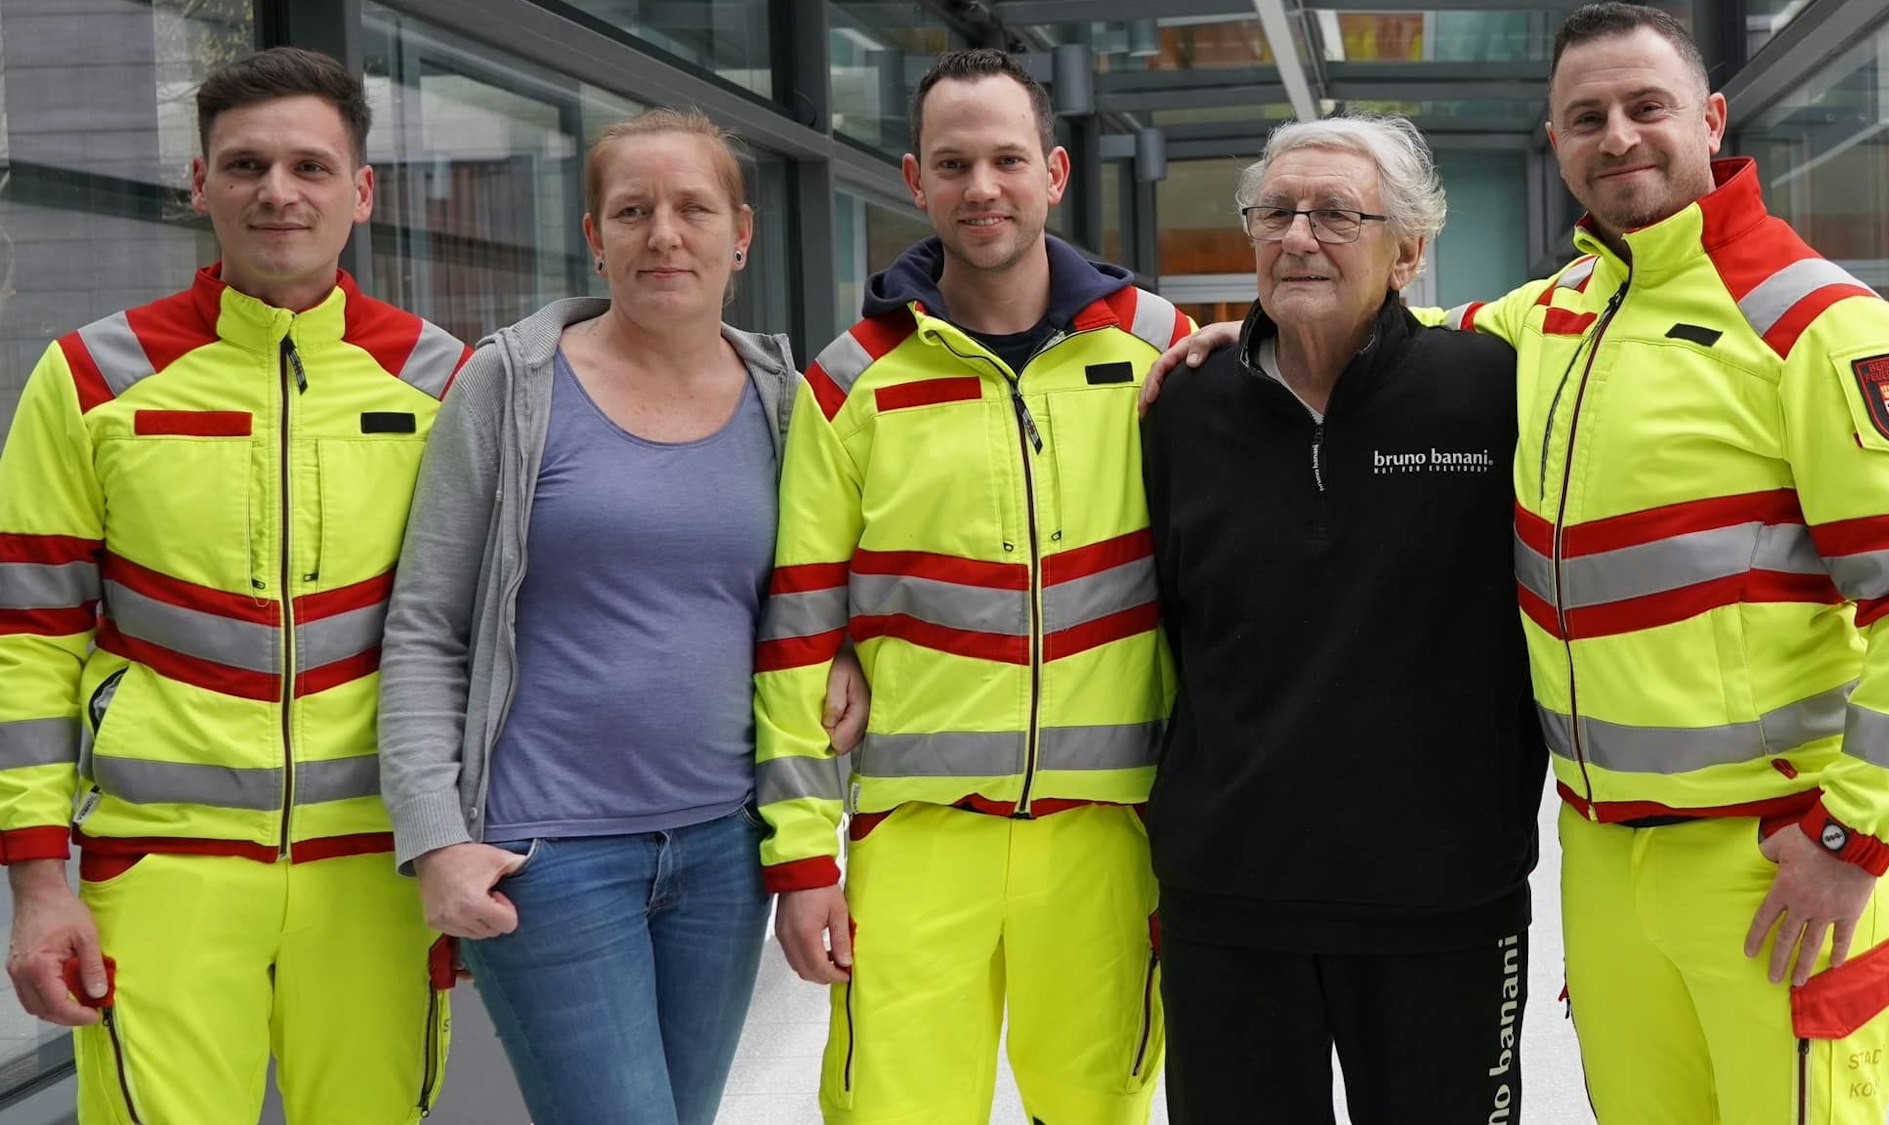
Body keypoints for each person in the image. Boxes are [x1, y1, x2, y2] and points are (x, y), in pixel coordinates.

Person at [1148, 5, 1889, 1122]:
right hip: (1601, 858)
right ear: (1555, 142)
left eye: (1646, 106)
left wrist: (1854, 837)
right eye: (1586, 117)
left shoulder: (1817, 325)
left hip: (1773, 856)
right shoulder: (1549, 319)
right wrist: (1242, 335)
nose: (1617, 136)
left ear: (1711, 119)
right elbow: (1386, 334)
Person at [0, 47, 470, 1123]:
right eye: (246, 164)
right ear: (199, 184)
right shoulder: (93, 375)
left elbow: (490, 631)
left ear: (361, 192)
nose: (277, 192)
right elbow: (28, 638)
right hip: (159, 869)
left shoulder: (444, 378)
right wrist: (36, 883)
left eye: (310, 166)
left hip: (381, 868)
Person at [376, 108, 867, 1125]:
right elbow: (427, 625)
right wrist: (437, 837)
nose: (663, 235)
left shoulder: (786, 401)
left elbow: (816, 585)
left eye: (693, 209)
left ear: (740, 233)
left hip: (724, 851)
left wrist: (850, 651)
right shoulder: (510, 386)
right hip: (549, 855)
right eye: (633, 212)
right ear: (594, 238)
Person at [753, 47, 1188, 1125]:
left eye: (1005, 159)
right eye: (952, 164)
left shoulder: (1160, 350)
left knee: (1097, 1108)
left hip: (1109, 840)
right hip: (914, 841)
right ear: (915, 181)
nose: (981, 187)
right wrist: (801, 860)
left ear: (1053, 172)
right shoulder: (849, 381)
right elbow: (798, 628)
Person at [1140, 113, 1542, 1124]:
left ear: (1408, 252)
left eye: (1334, 214)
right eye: (1273, 212)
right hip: (1229, 900)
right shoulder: (1182, 408)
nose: (1296, 236)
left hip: (1443, 901)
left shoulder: (1489, 391)